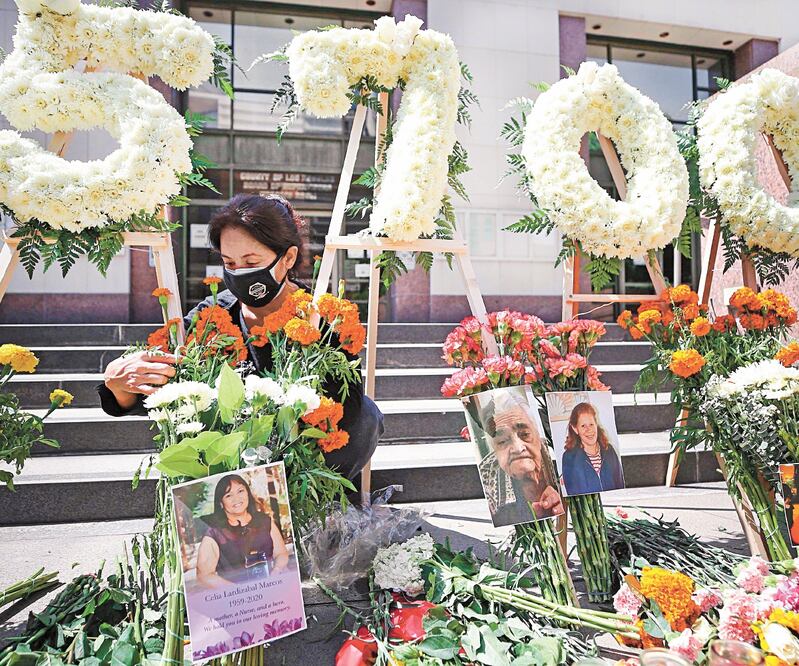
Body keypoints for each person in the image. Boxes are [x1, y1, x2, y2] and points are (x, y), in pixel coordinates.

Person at [98, 194, 383, 482]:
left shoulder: (320, 319)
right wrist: (119, 385)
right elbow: (164, 377)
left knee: (368, 415)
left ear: (288, 258)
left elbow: (346, 413)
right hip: (231, 477)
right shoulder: (210, 317)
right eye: (230, 263)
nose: (239, 273)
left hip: (304, 473)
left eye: (251, 261)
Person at [480, 390, 564, 526]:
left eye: (524, 434)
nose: (518, 448)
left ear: (538, 437)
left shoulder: (561, 465)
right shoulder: (492, 483)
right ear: (495, 451)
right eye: (502, 441)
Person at [196, 474, 289, 587]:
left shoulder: (265, 521)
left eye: (240, 491)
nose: (237, 498)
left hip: (271, 588)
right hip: (237, 599)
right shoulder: (215, 533)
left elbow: (281, 554)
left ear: (248, 493)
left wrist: (276, 572)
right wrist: (239, 591)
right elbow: (204, 575)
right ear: (221, 503)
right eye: (229, 495)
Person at [560, 401, 624, 496]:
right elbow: (572, 493)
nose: (589, 430)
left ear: (596, 424)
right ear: (575, 429)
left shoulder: (609, 450)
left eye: (591, 424)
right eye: (583, 426)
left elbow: (620, 484)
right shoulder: (569, 457)